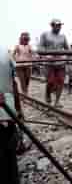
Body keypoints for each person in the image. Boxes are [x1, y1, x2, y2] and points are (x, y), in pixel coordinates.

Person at [0, 46, 20, 184]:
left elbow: (14, 85)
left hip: (7, 115)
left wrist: (18, 114)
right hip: (6, 115)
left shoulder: (4, 52)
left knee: (9, 158)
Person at [39, 19, 70, 108]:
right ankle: (48, 95)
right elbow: (40, 48)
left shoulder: (63, 36)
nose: (59, 27)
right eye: (57, 25)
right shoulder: (45, 35)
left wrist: (68, 56)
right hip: (49, 62)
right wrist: (46, 55)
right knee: (50, 82)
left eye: (60, 25)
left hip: (61, 62)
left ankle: (57, 101)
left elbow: (67, 48)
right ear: (52, 25)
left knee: (60, 81)